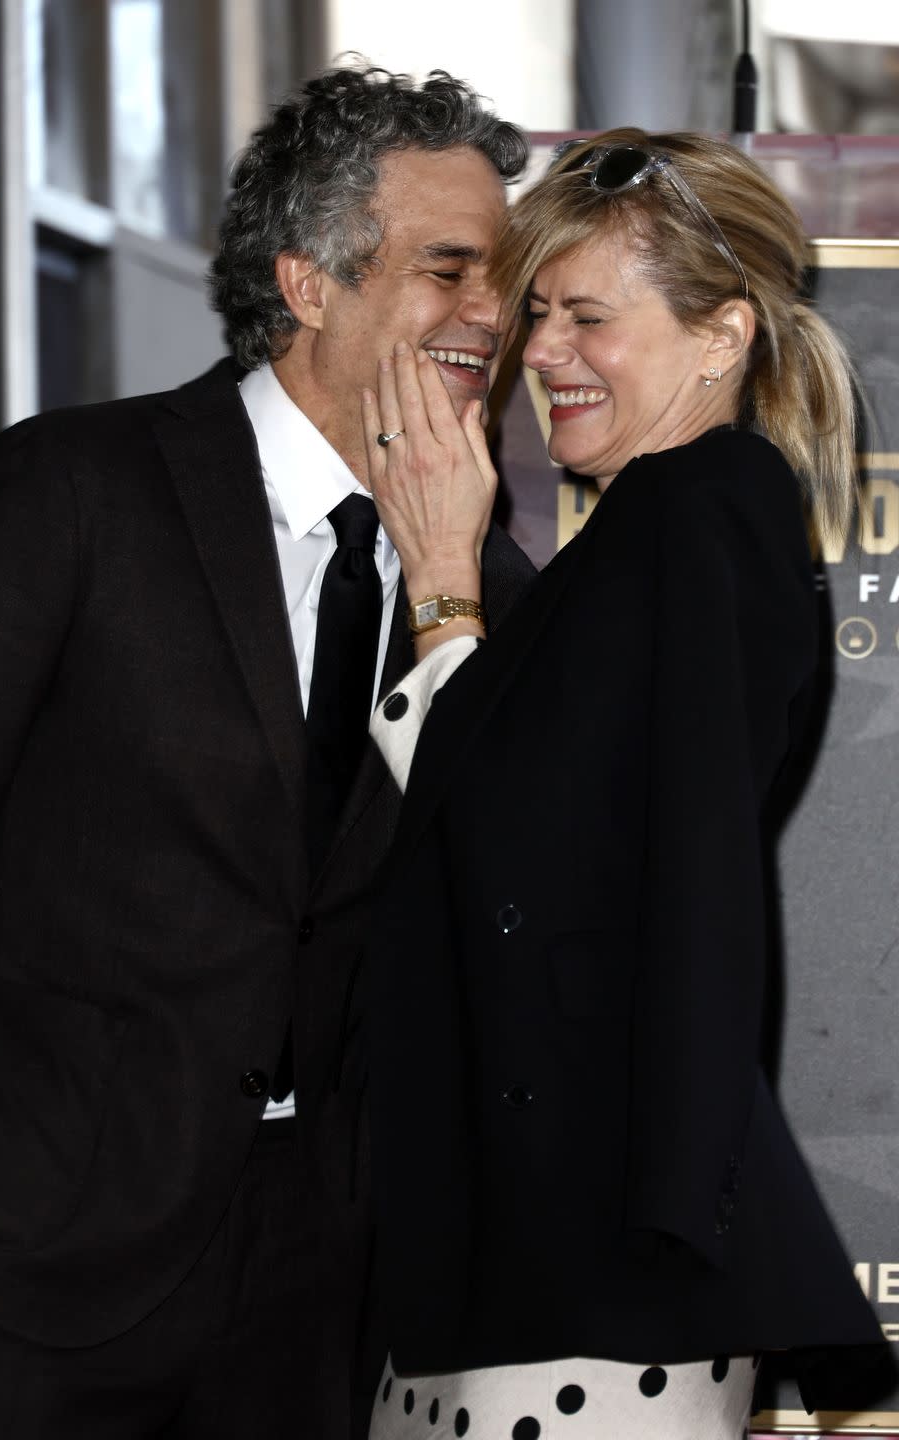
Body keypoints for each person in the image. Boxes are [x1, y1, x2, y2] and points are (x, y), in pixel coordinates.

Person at [0, 66, 534, 1440]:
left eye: (503, 274)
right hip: (22, 1273)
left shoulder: (485, 587)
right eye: (450, 269)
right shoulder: (71, 491)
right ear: (310, 284)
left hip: (320, 1304)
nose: (493, 314)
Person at [360, 129, 892, 1439]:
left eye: (588, 315)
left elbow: (516, 861)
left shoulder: (687, 519)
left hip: (583, 1284)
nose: (541, 353)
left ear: (720, 338)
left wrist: (441, 583)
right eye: (538, 313)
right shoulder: (669, 527)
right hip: (564, 1264)